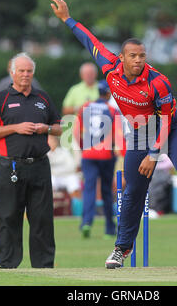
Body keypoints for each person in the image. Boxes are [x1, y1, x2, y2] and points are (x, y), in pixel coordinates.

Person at [51, 0, 177, 269]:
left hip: (171, 129)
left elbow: (167, 121)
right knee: (133, 190)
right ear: (122, 57)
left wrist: (154, 154)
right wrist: (67, 19)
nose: (138, 60)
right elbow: (90, 40)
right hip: (139, 132)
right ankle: (121, 249)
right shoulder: (109, 67)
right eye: (133, 56)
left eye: (142, 56)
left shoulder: (158, 82)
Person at [0, 52, 62, 269]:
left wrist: (47, 129)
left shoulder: (43, 98)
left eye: (29, 71)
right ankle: (8, 264)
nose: (25, 75)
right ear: (12, 73)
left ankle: (44, 265)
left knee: (42, 218)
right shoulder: (1, 98)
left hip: (39, 165)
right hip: (11, 165)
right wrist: (15, 128)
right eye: (21, 71)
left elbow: (60, 127)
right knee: (9, 216)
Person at [74, 80, 121, 239]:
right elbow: (118, 135)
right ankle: (109, 229)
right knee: (107, 191)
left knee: (89, 189)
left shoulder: (85, 107)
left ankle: (86, 222)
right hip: (106, 155)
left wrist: (83, 147)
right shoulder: (112, 110)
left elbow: (75, 132)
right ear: (108, 93)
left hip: (88, 154)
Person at [47, 135, 81, 201]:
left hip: (68, 176)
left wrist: (56, 171)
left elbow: (71, 167)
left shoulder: (64, 152)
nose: (50, 142)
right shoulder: (45, 154)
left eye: (52, 140)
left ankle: (77, 209)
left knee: (74, 185)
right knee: (48, 184)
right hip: (54, 177)